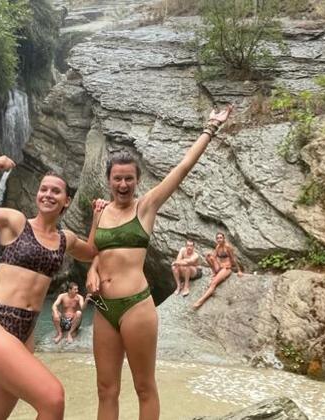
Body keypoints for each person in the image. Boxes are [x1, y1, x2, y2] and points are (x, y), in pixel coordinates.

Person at [86, 105, 234, 420]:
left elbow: (183, 167)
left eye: (128, 179)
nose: (123, 185)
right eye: (117, 179)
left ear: (137, 180)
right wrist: (92, 271)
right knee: (105, 389)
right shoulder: (100, 212)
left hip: (136, 306)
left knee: (144, 387)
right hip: (102, 307)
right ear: (108, 180)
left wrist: (210, 127)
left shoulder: (146, 207)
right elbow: (95, 252)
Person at [0, 155, 105, 420]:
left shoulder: (65, 239)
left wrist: (97, 216)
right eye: (44, 189)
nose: (48, 194)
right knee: (53, 398)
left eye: (56, 191)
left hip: (24, 333)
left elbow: (91, 251)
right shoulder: (15, 222)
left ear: (67, 201)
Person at [192, 232, 243, 310]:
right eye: (218, 238)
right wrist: (209, 256)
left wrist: (239, 270)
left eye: (220, 238)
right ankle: (215, 273)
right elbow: (214, 257)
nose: (219, 239)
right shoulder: (218, 247)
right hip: (220, 267)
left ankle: (201, 301)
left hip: (227, 268)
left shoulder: (227, 247)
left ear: (223, 238)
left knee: (213, 283)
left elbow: (233, 259)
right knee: (208, 257)